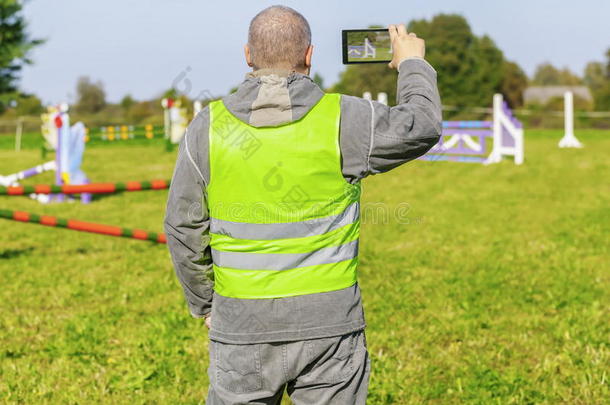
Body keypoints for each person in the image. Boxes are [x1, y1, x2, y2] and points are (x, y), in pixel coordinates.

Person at [164, 5, 441, 404]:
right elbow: (422, 124)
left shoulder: (208, 127)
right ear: (309, 56)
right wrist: (412, 63)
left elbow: (181, 226)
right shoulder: (345, 118)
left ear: (247, 55)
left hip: (241, 324)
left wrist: (207, 304)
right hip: (330, 325)